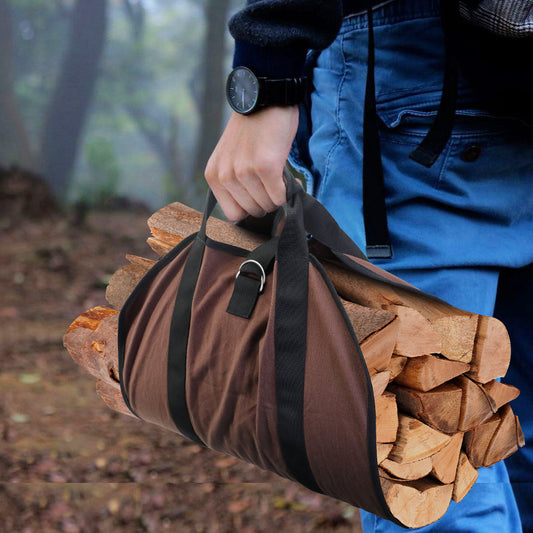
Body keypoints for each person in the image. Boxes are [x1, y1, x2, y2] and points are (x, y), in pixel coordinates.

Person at [205, 0, 533, 531]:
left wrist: (265, 73)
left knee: (421, 460)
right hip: (493, 64)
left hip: (416, 67)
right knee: (511, 431)